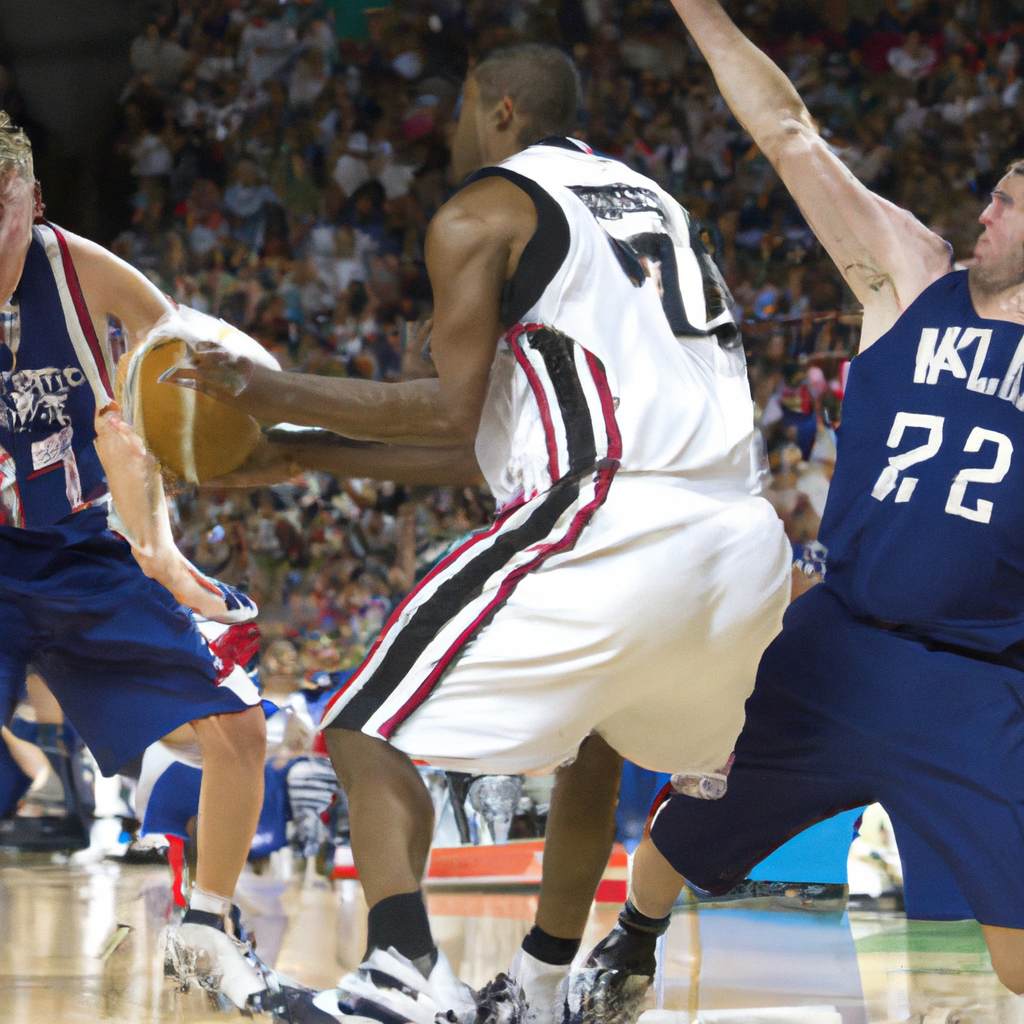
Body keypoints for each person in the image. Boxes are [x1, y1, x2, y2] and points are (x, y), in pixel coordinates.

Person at [168, 43, 790, 1023]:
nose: (450, 131)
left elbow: (455, 414)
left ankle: (406, 973)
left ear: (501, 113)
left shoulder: (484, 209)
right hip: (743, 545)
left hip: (616, 518)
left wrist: (274, 391)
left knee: (361, 723)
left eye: (458, 108)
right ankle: (542, 988)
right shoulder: (654, 207)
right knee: (596, 739)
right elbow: (492, 446)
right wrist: (304, 452)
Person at [574, 0, 1024, 1014]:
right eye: (989, 194)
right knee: (686, 827)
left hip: (974, 676)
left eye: (1006, 202)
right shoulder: (910, 277)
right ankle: (629, 944)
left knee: (1013, 956)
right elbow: (787, 136)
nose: (983, 212)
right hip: (838, 637)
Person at [0, 113, 282, 1014]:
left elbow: (174, 372)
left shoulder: (88, 276)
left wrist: (157, 541)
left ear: (34, 202)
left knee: (240, 731)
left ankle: (204, 926)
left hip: (81, 545)